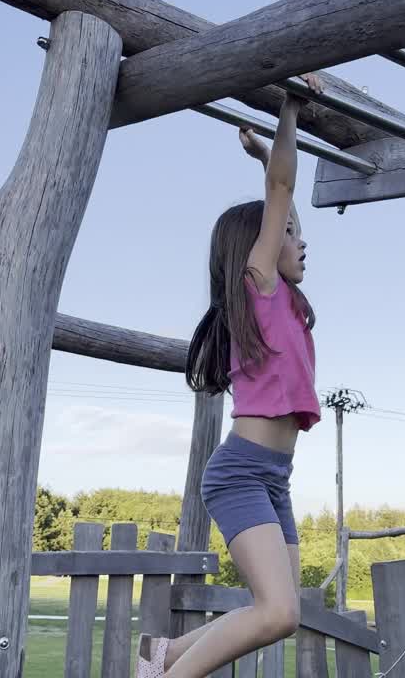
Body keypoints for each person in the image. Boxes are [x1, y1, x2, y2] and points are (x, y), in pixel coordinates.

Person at [137, 76, 323, 677]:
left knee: (284, 611)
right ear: (259, 249)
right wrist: (289, 112)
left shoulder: (287, 305)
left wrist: (264, 155)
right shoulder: (260, 285)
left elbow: (280, 195)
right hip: (242, 471)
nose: (299, 237)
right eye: (287, 233)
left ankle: (164, 657)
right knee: (273, 612)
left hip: (274, 477)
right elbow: (281, 190)